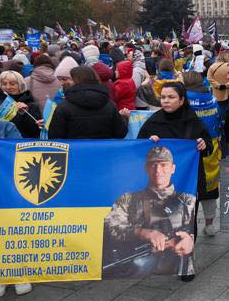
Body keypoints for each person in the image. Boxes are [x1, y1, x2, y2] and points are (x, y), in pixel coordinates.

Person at [103, 145, 198, 280]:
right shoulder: (128, 199)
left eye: (163, 165)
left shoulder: (187, 200)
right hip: (136, 267)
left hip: (177, 263)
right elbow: (109, 226)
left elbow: (194, 227)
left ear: (173, 168)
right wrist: (142, 233)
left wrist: (190, 240)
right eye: (153, 165)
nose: (158, 170)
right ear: (146, 168)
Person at [137, 81, 215, 243]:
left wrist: (203, 144)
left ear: (181, 100)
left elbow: (209, 147)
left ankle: (186, 256)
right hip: (161, 185)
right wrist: (148, 142)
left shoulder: (193, 121)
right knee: (161, 221)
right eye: (163, 97)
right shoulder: (154, 122)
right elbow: (139, 150)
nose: (165, 100)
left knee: (187, 220)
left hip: (188, 180)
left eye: (171, 97)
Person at [46, 66, 127, 140]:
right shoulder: (110, 104)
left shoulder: (63, 106)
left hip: (74, 153)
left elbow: (55, 137)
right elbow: (120, 133)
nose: (64, 83)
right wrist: (124, 118)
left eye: (70, 79)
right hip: (103, 153)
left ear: (76, 81)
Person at [0, 71, 42, 139]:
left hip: (22, 144)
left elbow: (35, 132)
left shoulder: (31, 105)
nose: (8, 87)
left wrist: (24, 114)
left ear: (20, 85)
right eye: (4, 84)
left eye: (12, 84)